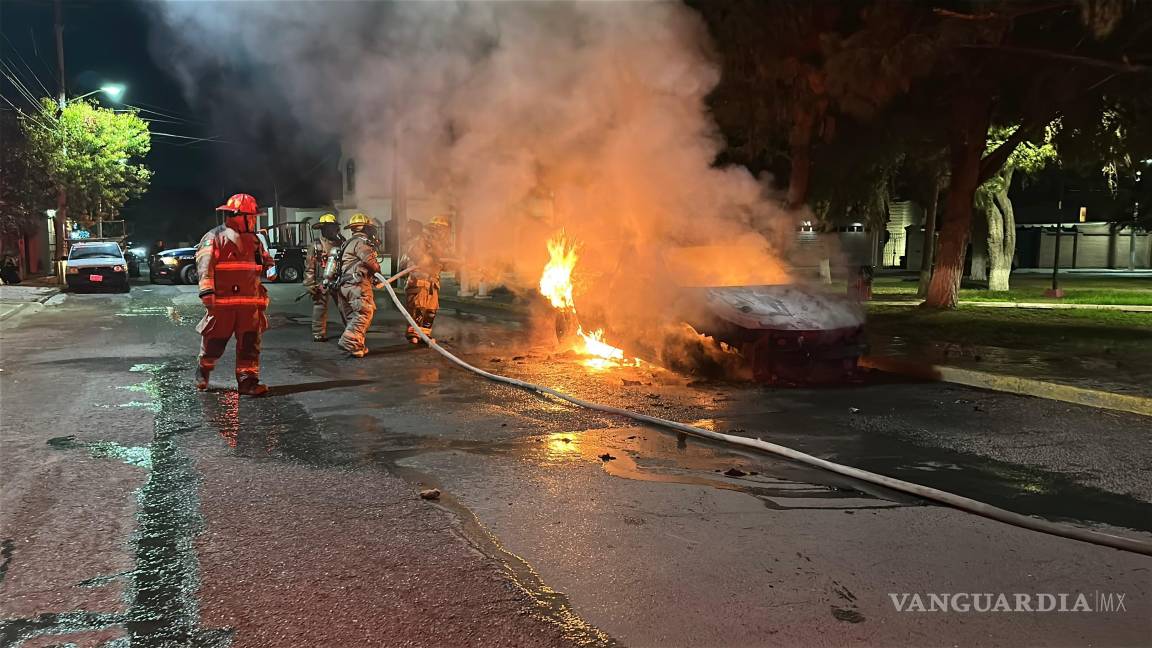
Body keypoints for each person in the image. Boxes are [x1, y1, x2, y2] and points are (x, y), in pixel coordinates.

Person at [194, 193, 277, 396]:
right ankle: (203, 369)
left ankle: (248, 382)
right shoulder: (214, 237)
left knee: (250, 345)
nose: (255, 220)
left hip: (250, 307)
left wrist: (271, 268)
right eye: (253, 216)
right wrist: (207, 292)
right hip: (222, 305)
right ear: (241, 216)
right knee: (214, 342)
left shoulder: (255, 241)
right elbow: (205, 267)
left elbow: (265, 262)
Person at [399, 215, 456, 344]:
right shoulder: (421, 238)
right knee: (417, 308)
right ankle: (414, 335)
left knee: (431, 310)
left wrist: (452, 263)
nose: (445, 234)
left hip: (432, 283)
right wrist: (425, 259)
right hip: (419, 281)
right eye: (443, 230)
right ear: (437, 229)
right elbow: (412, 250)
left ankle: (425, 335)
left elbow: (444, 263)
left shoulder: (439, 245)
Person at [334, 213, 381, 358]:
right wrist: (377, 269)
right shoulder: (362, 242)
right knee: (364, 312)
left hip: (344, 285)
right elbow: (370, 262)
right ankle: (349, 341)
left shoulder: (347, 243)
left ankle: (356, 347)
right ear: (366, 228)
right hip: (357, 285)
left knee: (352, 317)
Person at [303, 213, 344, 342]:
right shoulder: (316, 246)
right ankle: (318, 333)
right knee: (319, 307)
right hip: (322, 282)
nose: (332, 230)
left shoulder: (342, 243)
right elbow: (310, 267)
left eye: (333, 227)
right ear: (323, 229)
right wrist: (310, 284)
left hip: (339, 280)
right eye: (328, 227)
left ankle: (351, 330)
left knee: (345, 306)